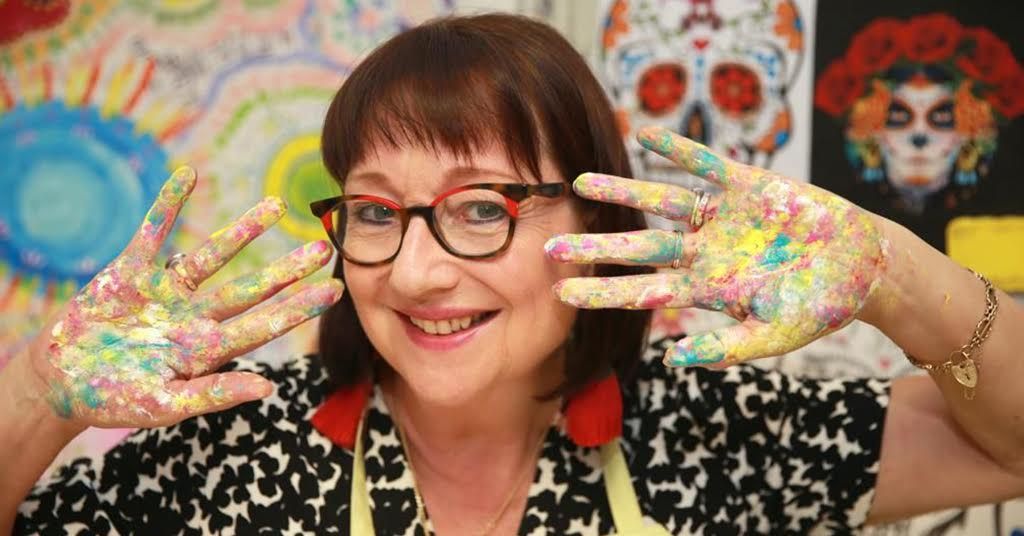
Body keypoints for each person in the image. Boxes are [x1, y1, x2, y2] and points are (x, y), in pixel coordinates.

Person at [3, 13, 1023, 535]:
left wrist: (893, 271)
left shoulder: (711, 431)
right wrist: (39, 386)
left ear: (594, 213)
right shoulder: (229, 453)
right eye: (373, 212)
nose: (412, 270)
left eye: (480, 207)